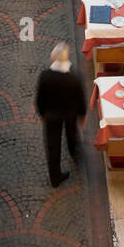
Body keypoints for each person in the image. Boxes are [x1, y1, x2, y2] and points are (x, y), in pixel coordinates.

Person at [35, 42, 86, 188]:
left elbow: (40, 97)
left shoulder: (45, 76)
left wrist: (41, 112)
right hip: (70, 113)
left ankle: (55, 177)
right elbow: (80, 97)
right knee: (72, 134)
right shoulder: (73, 77)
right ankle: (74, 152)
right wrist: (82, 114)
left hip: (51, 115)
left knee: (53, 146)